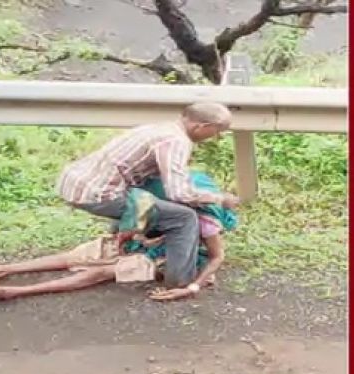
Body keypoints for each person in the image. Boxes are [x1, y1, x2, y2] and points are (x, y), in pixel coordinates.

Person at [0, 171, 237, 302]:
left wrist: (193, 287)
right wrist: (129, 237)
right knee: (80, 255)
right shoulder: (160, 192)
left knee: (102, 272)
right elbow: (136, 209)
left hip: (173, 256)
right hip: (149, 240)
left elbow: (216, 256)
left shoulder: (204, 219)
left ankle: (19, 291)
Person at [57, 102, 238, 292]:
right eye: (216, 132)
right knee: (183, 218)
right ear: (202, 127)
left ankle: (123, 240)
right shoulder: (177, 141)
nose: (215, 138)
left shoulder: (160, 128)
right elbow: (179, 193)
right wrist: (219, 199)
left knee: (147, 199)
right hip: (97, 194)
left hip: (75, 182)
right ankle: (180, 280)